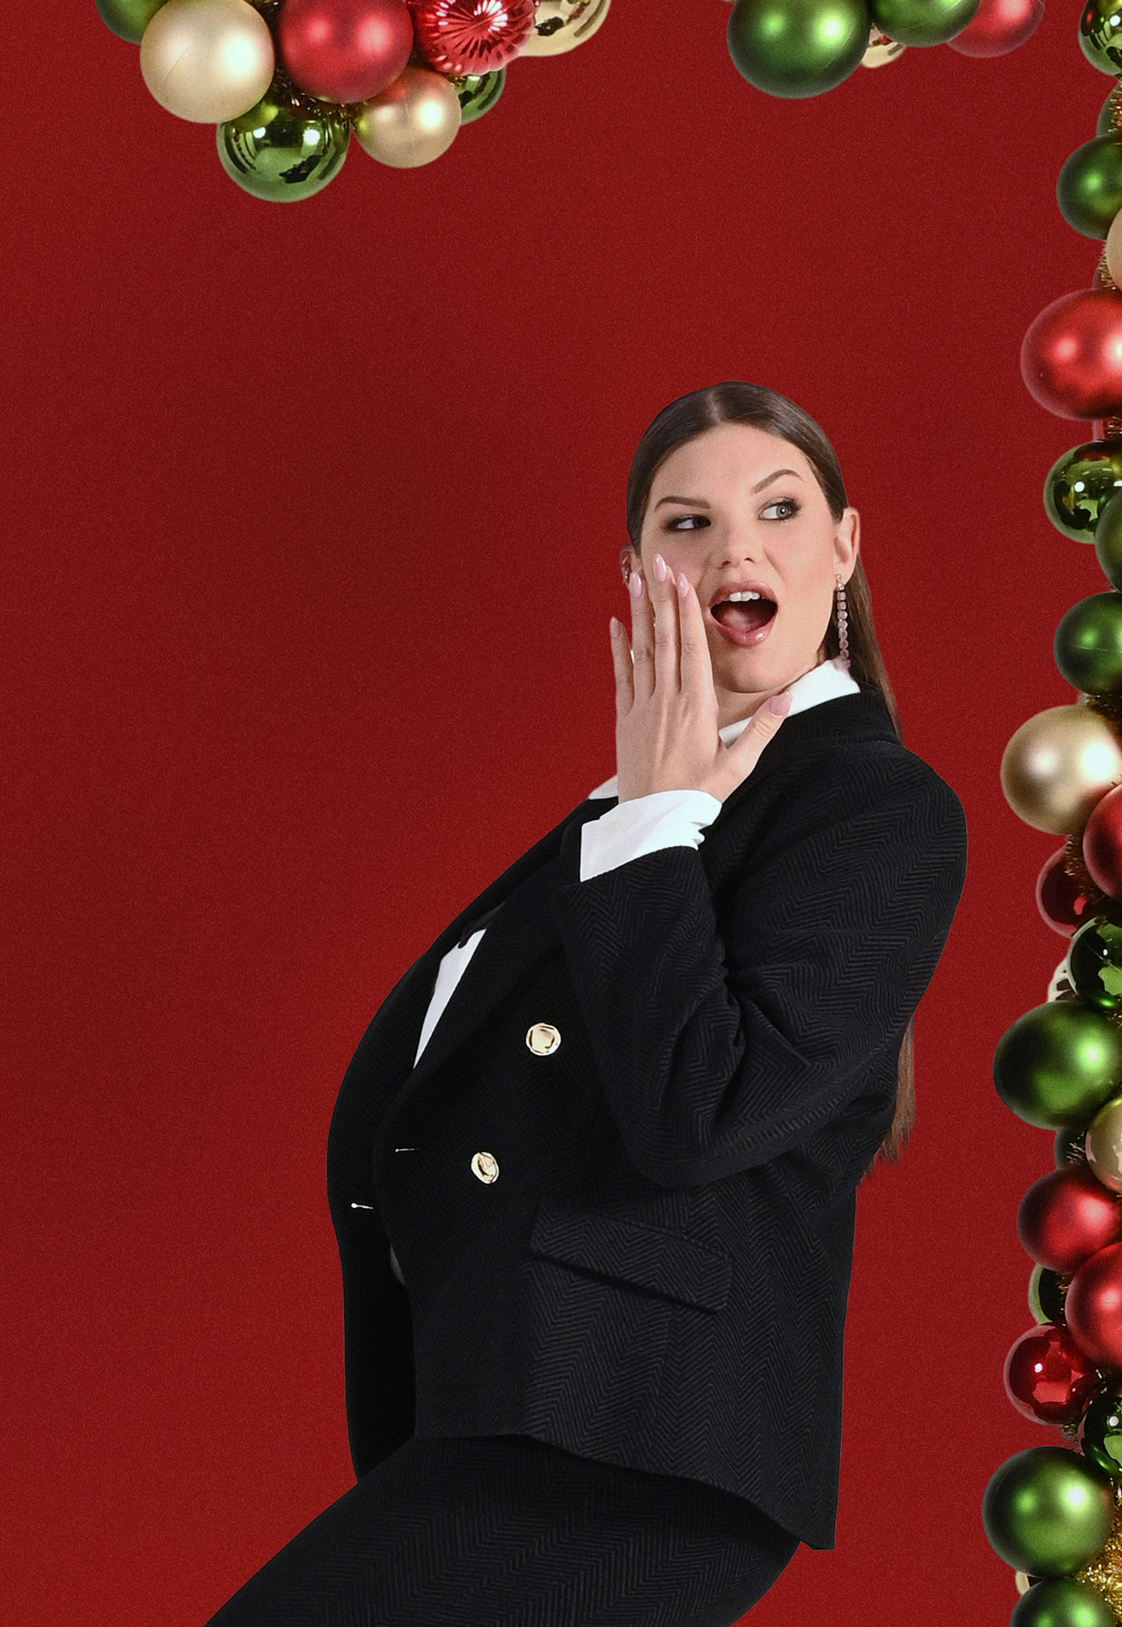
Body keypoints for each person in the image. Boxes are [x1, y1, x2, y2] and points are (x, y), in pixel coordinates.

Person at [207, 382, 968, 1627]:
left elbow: (700, 1114)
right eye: (686, 524)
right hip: (518, 1412)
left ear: (843, 548)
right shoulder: (631, 818)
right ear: (637, 572)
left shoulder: (872, 808)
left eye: (780, 508)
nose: (736, 548)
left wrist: (660, 822)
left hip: (641, 1439)